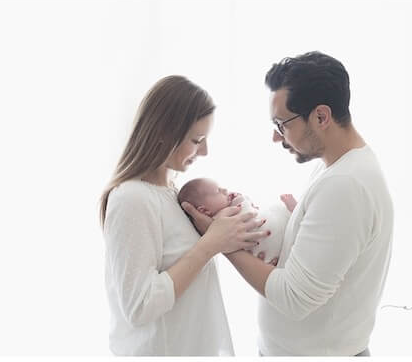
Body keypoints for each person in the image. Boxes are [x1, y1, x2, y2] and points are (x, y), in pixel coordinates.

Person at [182, 51, 394, 356]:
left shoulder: (345, 184)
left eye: (282, 124)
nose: (275, 136)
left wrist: (224, 244)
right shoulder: (337, 168)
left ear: (321, 117)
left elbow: (295, 299)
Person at [100, 76, 267, 356]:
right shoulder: (132, 198)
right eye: (196, 140)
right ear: (165, 132)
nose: (204, 151)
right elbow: (140, 307)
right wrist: (209, 245)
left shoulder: (174, 195)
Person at [177, 177, 294, 262]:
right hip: (269, 247)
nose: (224, 190)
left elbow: (249, 206)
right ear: (204, 210)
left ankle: (292, 212)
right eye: (218, 191)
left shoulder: (231, 205)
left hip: (272, 230)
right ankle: (292, 213)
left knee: (278, 213)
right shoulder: (216, 222)